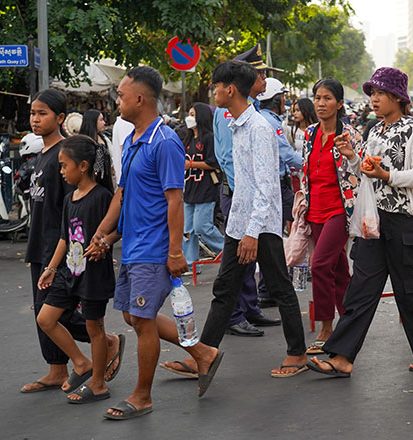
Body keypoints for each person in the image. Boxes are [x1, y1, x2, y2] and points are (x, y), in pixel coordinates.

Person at [89, 66, 223, 420]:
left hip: (153, 247)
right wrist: (103, 232)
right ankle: (204, 353)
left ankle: (142, 396)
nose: (116, 100)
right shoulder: (133, 139)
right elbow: (122, 193)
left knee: (143, 321)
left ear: (139, 98)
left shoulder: (164, 141)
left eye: (120, 94)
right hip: (132, 245)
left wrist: (175, 251)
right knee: (133, 315)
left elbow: (175, 200)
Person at [162, 60, 307, 380]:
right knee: (225, 290)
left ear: (230, 89)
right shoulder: (236, 124)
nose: (213, 92)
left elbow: (267, 185)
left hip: (260, 225)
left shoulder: (258, 128)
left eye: (216, 86)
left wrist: (252, 233)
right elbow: (244, 184)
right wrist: (238, 228)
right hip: (240, 222)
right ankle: (205, 353)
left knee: (281, 288)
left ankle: (297, 353)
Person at [308, 67, 413, 377]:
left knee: (410, 290)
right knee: (361, 288)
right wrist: (353, 159)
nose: (374, 99)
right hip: (375, 222)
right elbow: (365, 174)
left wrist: (388, 175)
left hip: (406, 223)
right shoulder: (375, 132)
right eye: (372, 93)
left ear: (397, 97)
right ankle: (342, 356)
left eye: (380, 93)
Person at [21, 89, 121, 393]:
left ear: (60, 118)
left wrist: (95, 244)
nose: (35, 120)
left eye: (42, 114)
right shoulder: (44, 155)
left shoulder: (68, 156)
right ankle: (58, 367)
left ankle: (102, 350)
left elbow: (79, 214)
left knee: (65, 314)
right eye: (33, 114)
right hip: (43, 247)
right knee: (45, 311)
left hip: (66, 252)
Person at [203, 45, 276, 336]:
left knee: (253, 266)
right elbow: (227, 157)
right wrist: (239, 189)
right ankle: (234, 317)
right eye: (260, 74)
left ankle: (247, 310)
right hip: (239, 194)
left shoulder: (253, 114)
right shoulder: (229, 113)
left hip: (254, 198)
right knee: (239, 266)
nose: (264, 81)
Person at [301, 78, 362, 355]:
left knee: (319, 265)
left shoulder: (350, 134)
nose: (321, 103)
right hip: (314, 209)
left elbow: (360, 171)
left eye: (327, 98)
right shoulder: (309, 134)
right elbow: (306, 172)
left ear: (339, 103)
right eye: (317, 97)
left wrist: (349, 155)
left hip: (340, 209)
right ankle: (350, 323)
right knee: (338, 270)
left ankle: (327, 327)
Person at [181, 103, 225, 266]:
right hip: (190, 188)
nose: (189, 118)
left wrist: (191, 165)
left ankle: (227, 251)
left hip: (206, 188)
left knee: (202, 227)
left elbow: (214, 163)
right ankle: (191, 262)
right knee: (187, 230)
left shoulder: (209, 138)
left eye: (193, 114)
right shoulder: (187, 138)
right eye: (189, 114)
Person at [258, 77, 302, 230]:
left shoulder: (263, 118)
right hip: (277, 185)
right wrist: (315, 162)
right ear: (276, 99)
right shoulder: (270, 122)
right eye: (283, 96)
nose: (285, 101)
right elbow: (288, 155)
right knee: (301, 218)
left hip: (273, 182)